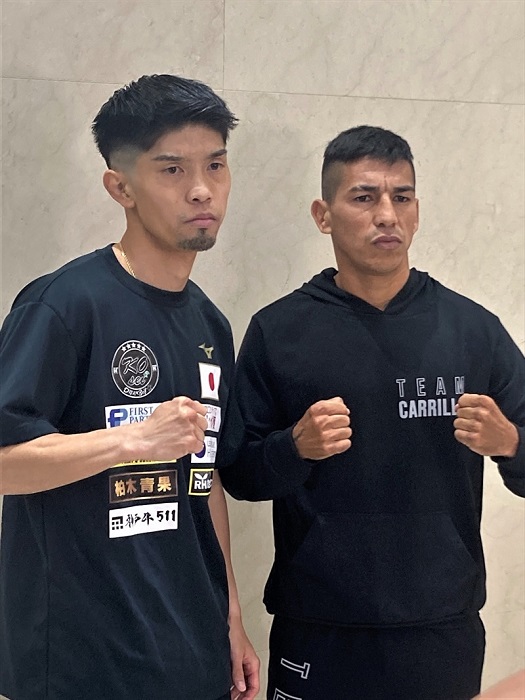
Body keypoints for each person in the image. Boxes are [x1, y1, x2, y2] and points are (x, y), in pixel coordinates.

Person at [219, 125, 525, 700]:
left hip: (440, 628)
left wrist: (510, 443)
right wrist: (294, 448)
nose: (387, 214)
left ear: (417, 211)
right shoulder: (279, 331)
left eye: (401, 197)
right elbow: (238, 473)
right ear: (323, 215)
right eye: (364, 197)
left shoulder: (472, 330)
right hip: (318, 626)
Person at [0, 74, 259, 700]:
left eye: (215, 165)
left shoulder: (210, 324)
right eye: (172, 170)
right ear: (121, 187)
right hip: (80, 666)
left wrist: (230, 616)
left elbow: (203, 479)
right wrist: (131, 441)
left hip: (190, 656)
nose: (201, 189)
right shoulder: (63, 305)